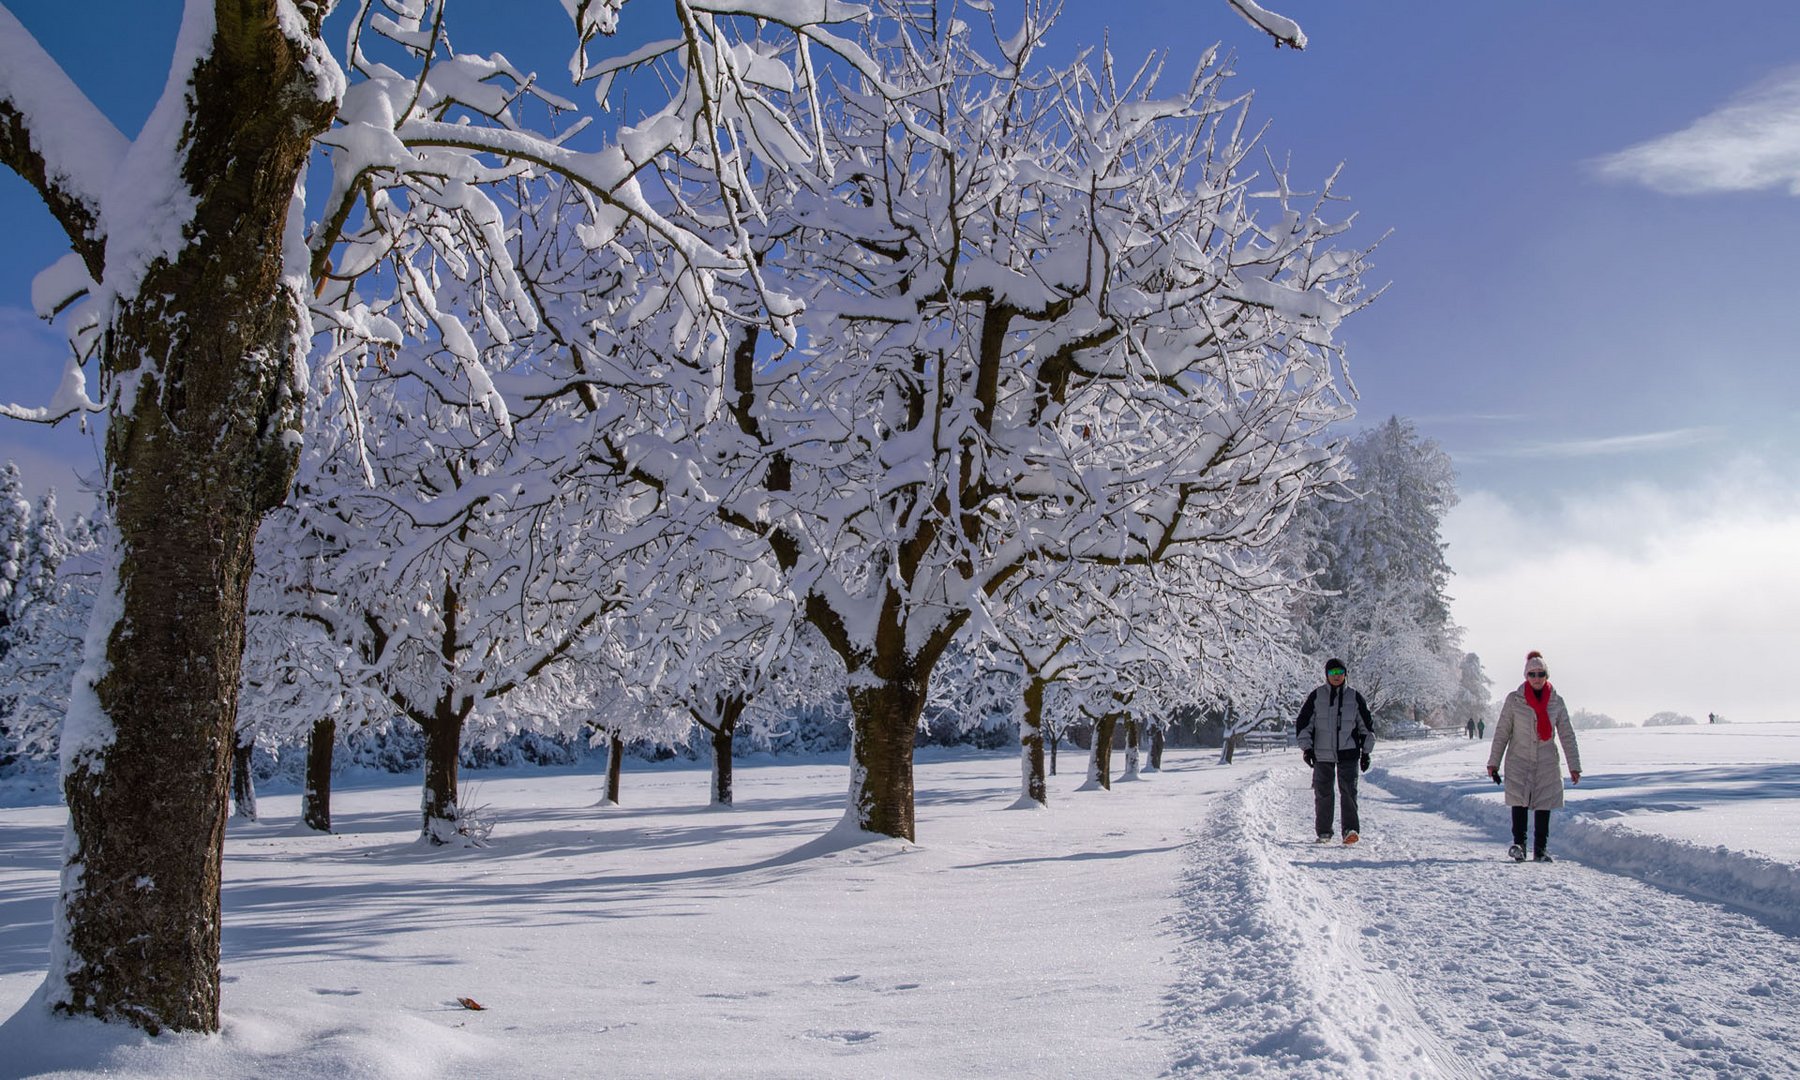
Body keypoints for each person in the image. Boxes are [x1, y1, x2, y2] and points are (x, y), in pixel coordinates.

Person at [1487, 650, 1582, 862]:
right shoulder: (1515, 700)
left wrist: (1574, 766)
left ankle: (1541, 850)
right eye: (1532, 674)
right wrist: (1494, 763)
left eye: (1540, 674)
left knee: (1543, 804)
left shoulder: (1556, 702)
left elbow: (1567, 734)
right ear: (1526, 676)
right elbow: (1503, 732)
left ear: (1547, 676)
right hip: (1519, 758)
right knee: (1519, 801)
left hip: (1547, 760)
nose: (1536, 678)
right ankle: (1519, 845)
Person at [1296, 657, 1374, 845]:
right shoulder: (1317, 696)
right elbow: (1304, 723)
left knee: (1348, 791)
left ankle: (1350, 831)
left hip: (1349, 752)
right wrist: (1307, 749)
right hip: (1322, 753)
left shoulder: (1355, 697)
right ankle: (1324, 832)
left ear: (1345, 674)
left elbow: (1366, 725)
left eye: (1340, 673)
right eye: (1332, 673)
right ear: (1327, 676)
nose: (1336, 677)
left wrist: (1366, 752)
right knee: (1323, 793)